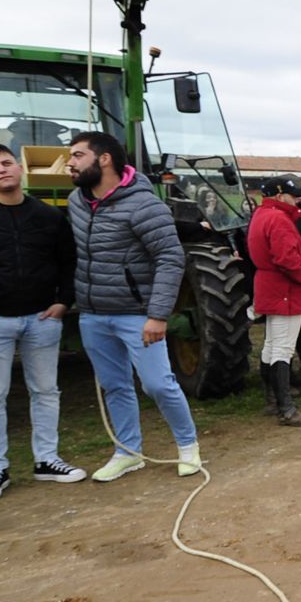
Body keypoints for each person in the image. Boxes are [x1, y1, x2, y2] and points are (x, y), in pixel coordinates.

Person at [0, 142, 83, 502]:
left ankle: (47, 460)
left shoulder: (49, 217)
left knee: (46, 391)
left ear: (20, 169)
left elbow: (68, 262)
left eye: (7, 163)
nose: (1, 170)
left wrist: (61, 302)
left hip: (41, 318)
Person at [66, 131, 202, 481]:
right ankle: (127, 452)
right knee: (115, 386)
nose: (69, 162)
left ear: (105, 159)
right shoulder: (76, 202)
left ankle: (188, 447)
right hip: (93, 314)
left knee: (158, 384)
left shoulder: (145, 205)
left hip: (137, 314)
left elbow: (171, 258)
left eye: (78, 155)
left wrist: (158, 315)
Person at [248, 177, 301, 426]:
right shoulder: (278, 219)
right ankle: (286, 408)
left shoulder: (262, 215)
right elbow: (287, 258)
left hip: (270, 285)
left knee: (271, 345)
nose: (297, 198)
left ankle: (272, 399)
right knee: (282, 348)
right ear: (279, 196)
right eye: (292, 195)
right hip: (284, 288)